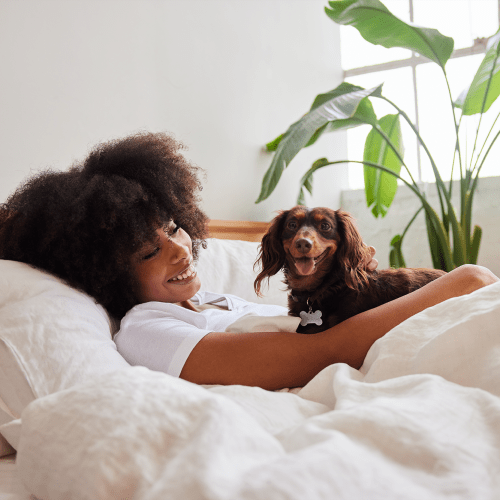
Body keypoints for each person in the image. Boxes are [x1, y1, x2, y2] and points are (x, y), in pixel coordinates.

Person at [0, 132, 497, 391]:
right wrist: (461, 281)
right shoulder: (147, 329)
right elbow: (321, 354)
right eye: (150, 251)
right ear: (105, 274)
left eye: (174, 228)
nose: (180, 248)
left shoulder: (215, 300)